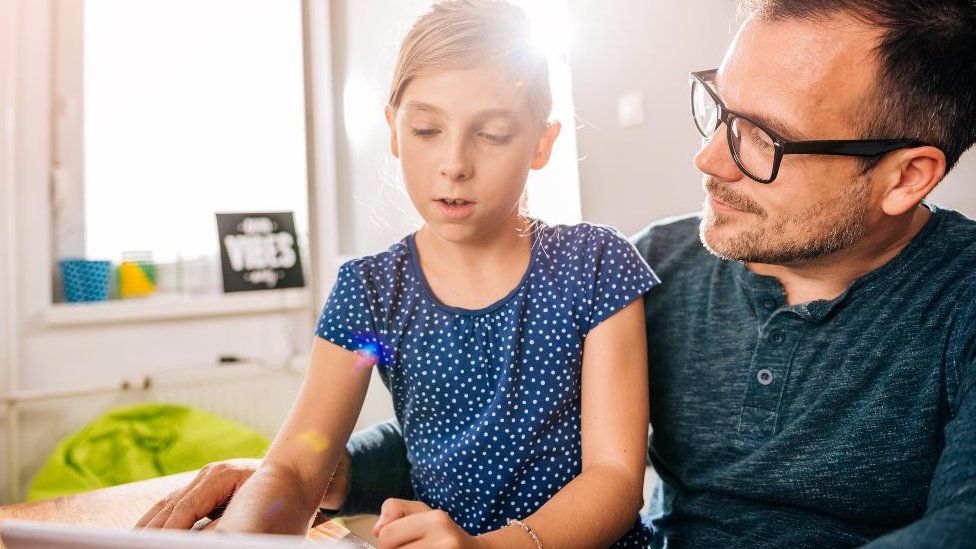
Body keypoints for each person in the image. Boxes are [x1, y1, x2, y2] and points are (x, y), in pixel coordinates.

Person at [140, 0, 976, 547]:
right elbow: (497, 414)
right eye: (718, 107)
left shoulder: (963, 300)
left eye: (763, 139)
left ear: (907, 175)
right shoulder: (662, 265)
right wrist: (301, 473)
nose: (706, 155)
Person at [139, 1, 658, 547]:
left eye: (494, 134)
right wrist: (247, 531)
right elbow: (300, 462)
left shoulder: (596, 263)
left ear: (541, 144)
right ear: (393, 130)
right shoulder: (370, 293)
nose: (454, 163)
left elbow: (616, 481)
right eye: (428, 129)